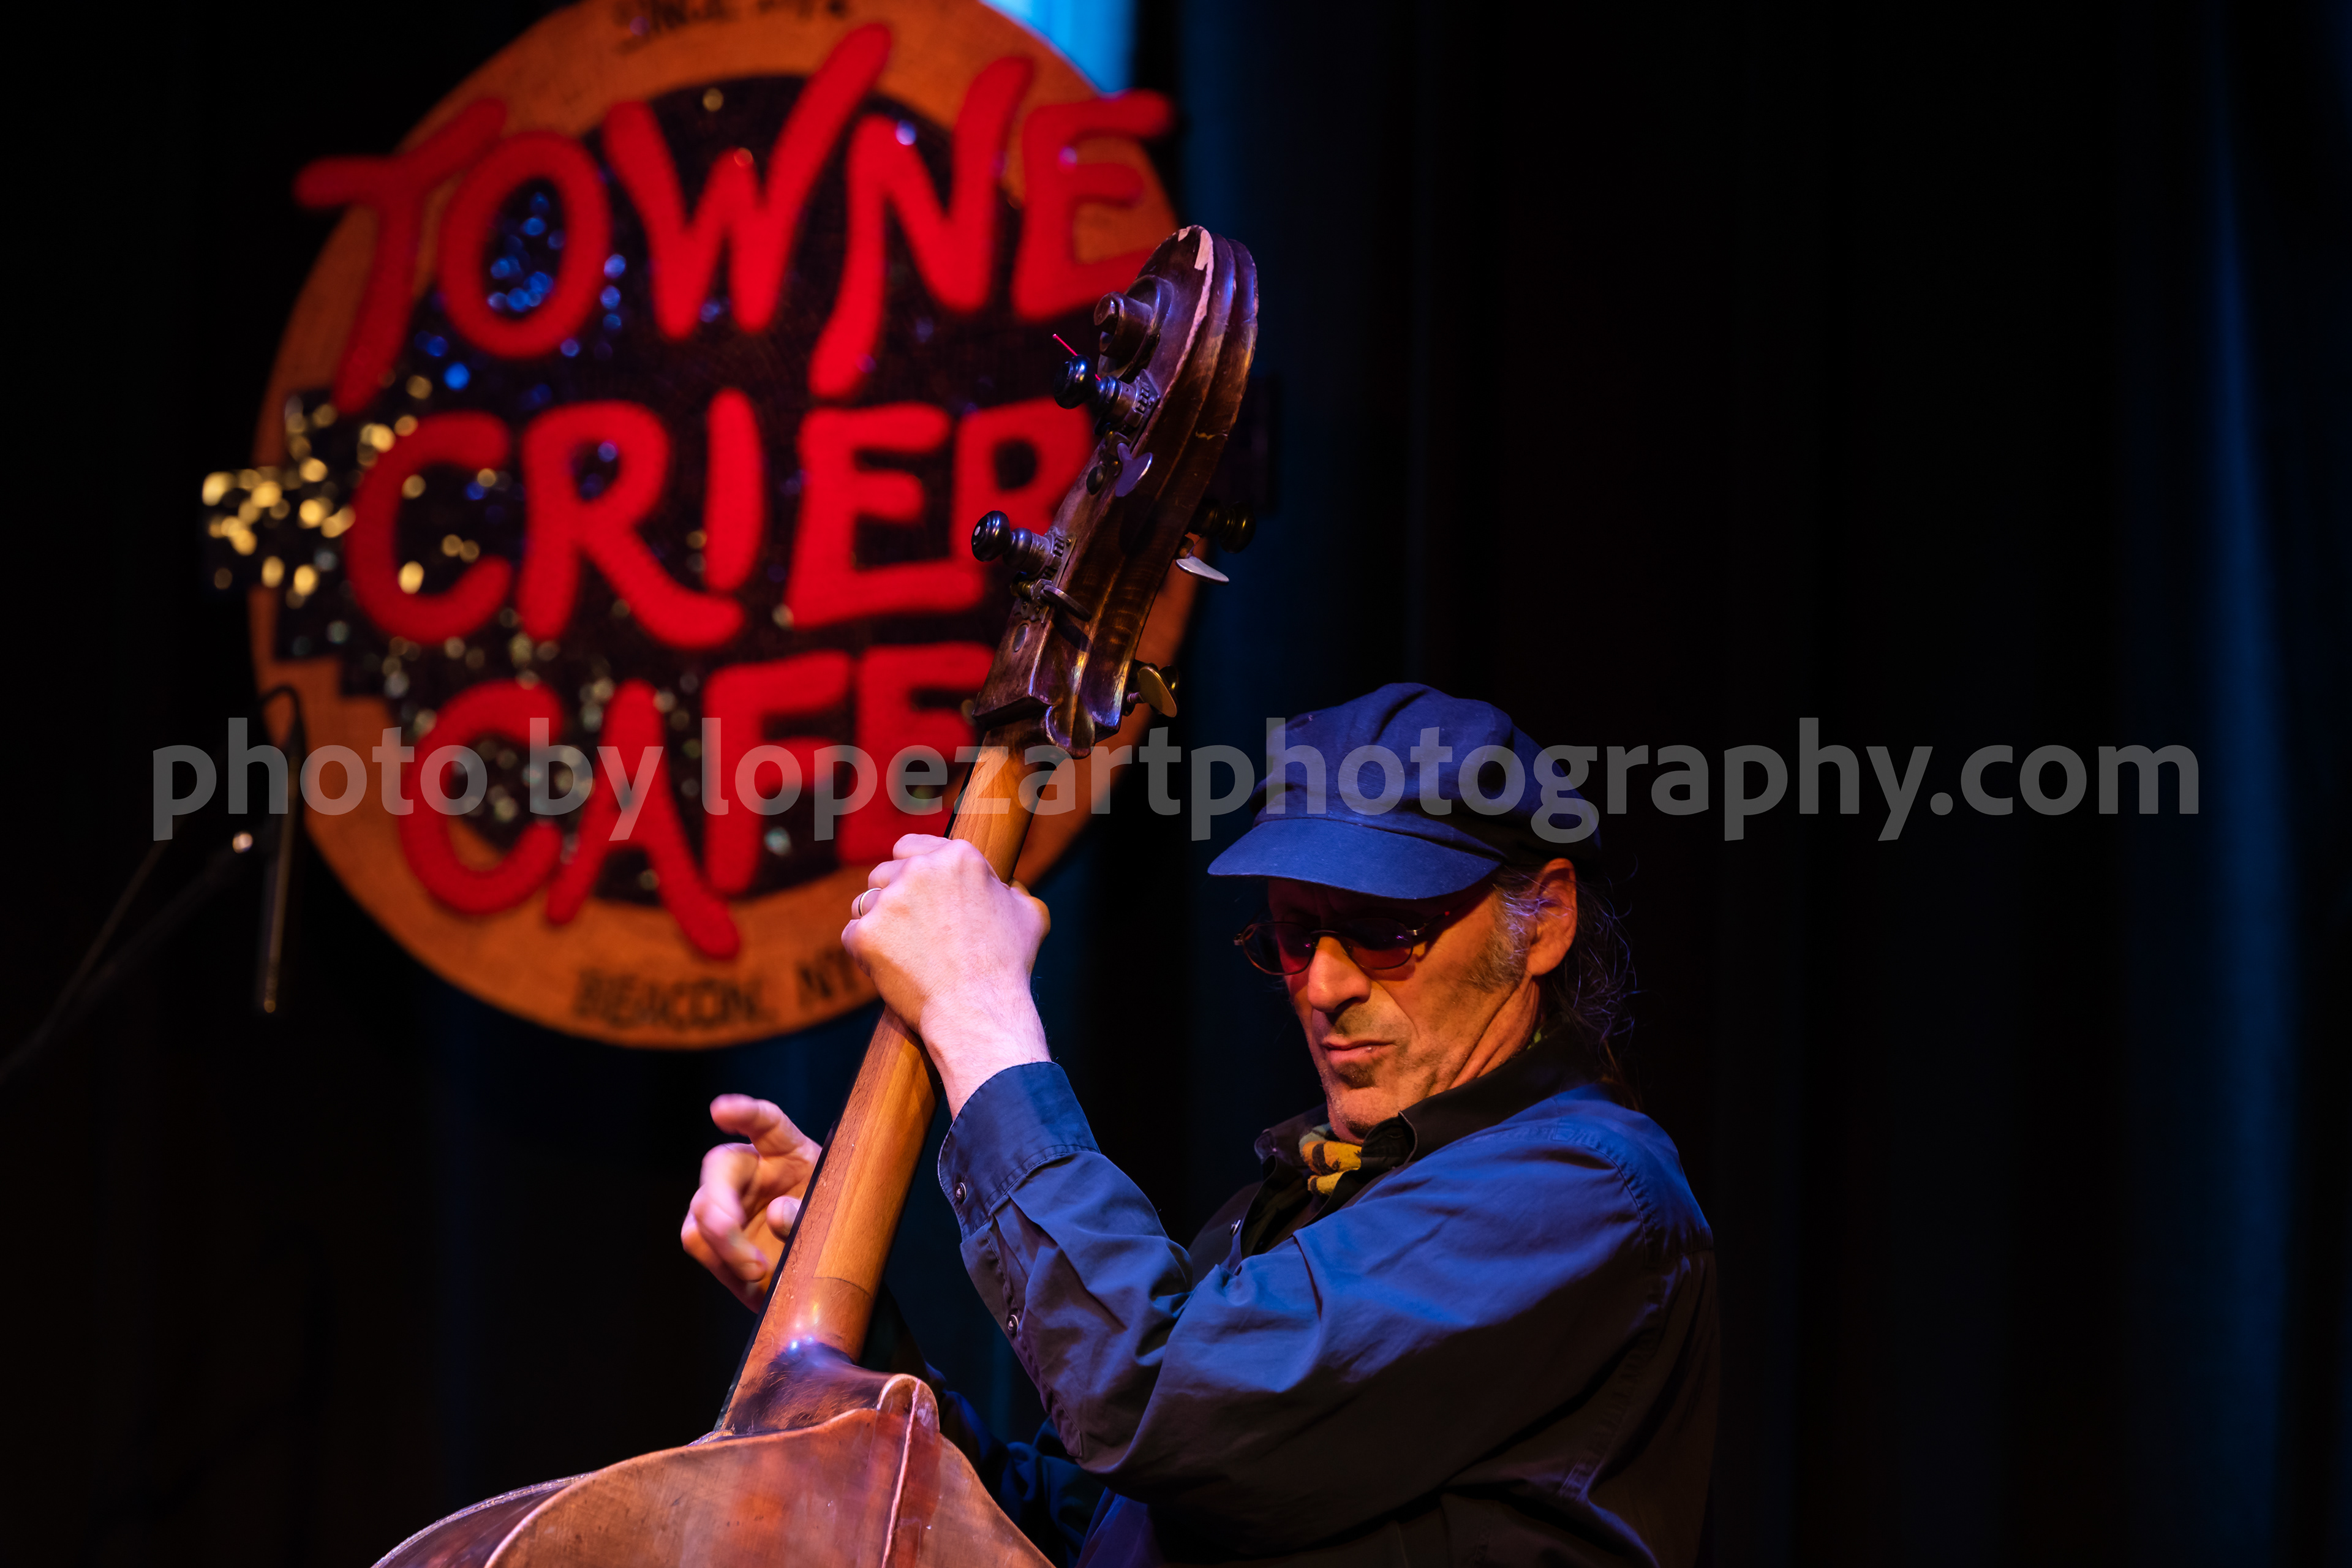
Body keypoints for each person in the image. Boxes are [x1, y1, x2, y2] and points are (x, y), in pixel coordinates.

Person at [684, 684, 1719, 1567]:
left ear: (1544, 921)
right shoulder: (1288, 1205)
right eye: (1296, 935)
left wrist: (980, 1013)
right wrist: (839, 1301)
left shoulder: (1583, 1192)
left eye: (1385, 931)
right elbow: (1090, 1531)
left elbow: (1148, 1394)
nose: (1325, 986)